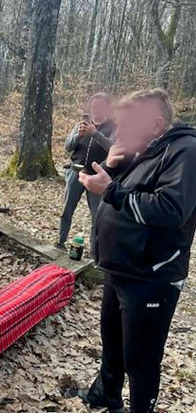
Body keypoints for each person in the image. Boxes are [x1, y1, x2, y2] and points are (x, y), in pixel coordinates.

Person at [70, 89, 196, 413]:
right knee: (112, 343)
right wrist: (112, 167)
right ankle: (106, 395)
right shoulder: (144, 149)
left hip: (152, 275)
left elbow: (171, 210)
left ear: (155, 124)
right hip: (120, 266)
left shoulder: (186, 151)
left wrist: (111, 189)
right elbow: (111, 186)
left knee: (140, 359)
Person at [57, 92, 115, 249]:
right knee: (67, 209)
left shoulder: (112, 127)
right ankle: (60, 242)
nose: (95, 110)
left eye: (99, 107)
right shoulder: (82, 124)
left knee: (97, 214)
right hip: (75, 171)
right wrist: (79, 135)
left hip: (96, 176)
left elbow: (112, 147)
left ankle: (94, 251)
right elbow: (68, 146)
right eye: (93, 107)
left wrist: (95, 133)